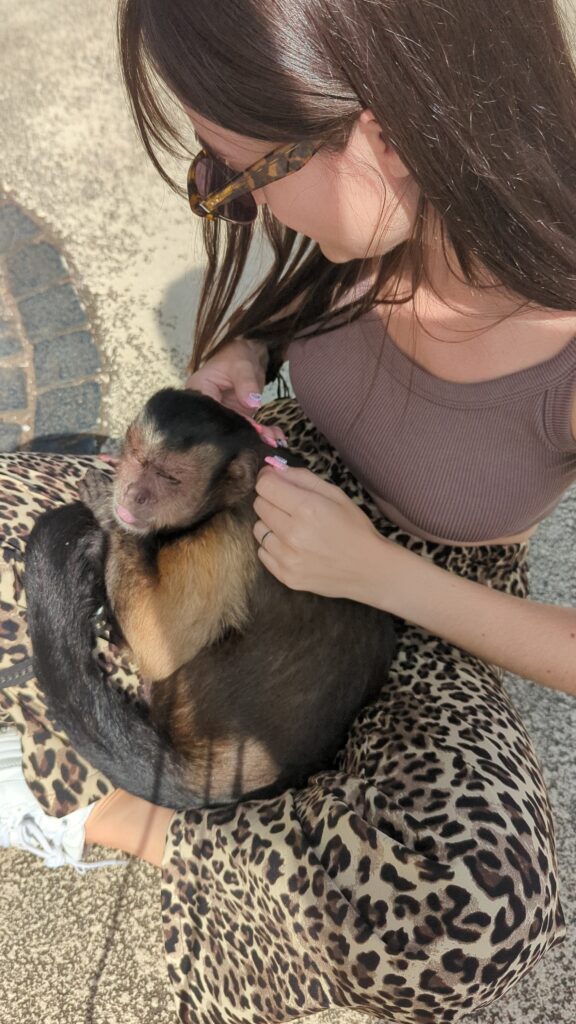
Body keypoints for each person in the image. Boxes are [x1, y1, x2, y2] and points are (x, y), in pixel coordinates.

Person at [1, 0, 575, 1021]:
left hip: (434, 590)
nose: (232, 205)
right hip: (272, 479)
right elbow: (311, 297)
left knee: (469, 906)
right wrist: (252, 348)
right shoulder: (397, 199)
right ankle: (201, 813)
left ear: (385, 136)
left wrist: (381, 575)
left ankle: (129, 820)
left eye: (240, 174)